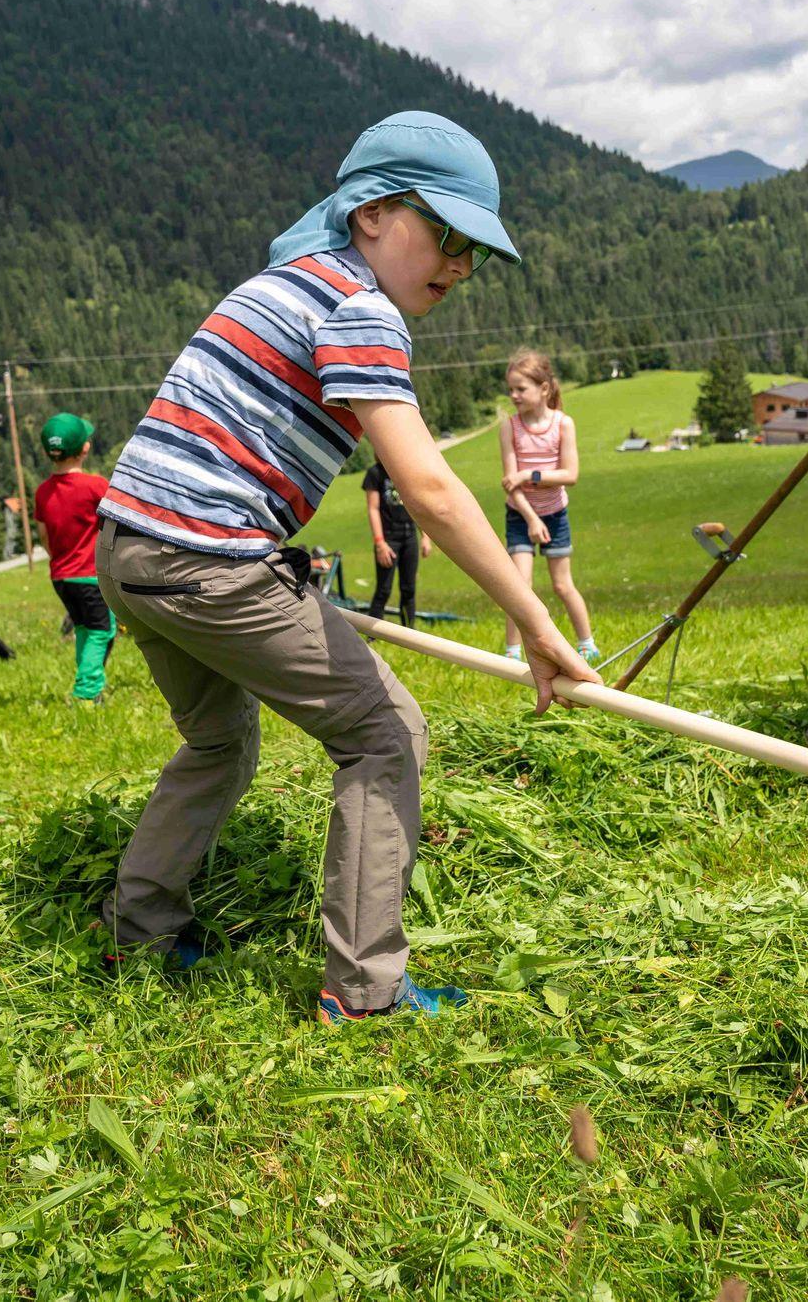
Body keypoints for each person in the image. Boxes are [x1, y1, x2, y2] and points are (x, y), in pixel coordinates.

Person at [93, 109, 599, 1023]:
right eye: (447, 236)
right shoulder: (360, 309)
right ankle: (366, 992)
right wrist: (535, 622)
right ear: (371, 214)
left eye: (476, 253)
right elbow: (429, 489)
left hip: (129, 550)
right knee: (385, 735)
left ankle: (141, 930)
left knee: (218, 741)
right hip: (207, 560)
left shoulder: (283, 283)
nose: (460, 266)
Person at [497, 351, 602, 664]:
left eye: (521, 389)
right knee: (519, 586)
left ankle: (587, 644)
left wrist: (530, 475)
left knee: (562, 585)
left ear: (543, 389)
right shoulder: (509, 428)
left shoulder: (563, 424)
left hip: (555, 514)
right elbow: (510, 484)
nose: (514, 395)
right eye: (511, 389)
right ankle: (513, 653)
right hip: (520, 515)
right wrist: (531, 518)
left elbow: (570, 475)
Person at [33, 412, 116, 703]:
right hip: (90, 575)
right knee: (101, 632)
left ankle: (88, 678)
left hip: (61, 577)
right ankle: (87, 692)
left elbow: (44, 537)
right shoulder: (95, 486)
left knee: (84, 628)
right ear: (85, 448)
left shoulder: (43, 492)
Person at [363, 453, 429, 627]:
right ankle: (372, 635)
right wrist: (380, 543)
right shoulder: (375, 473)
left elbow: (416, 505)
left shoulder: (405, 472)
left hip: (409, 537)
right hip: (388, 540)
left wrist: (425, 536)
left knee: (409, 588)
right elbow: (373, 509)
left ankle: (409, 632)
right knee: (384, 589)